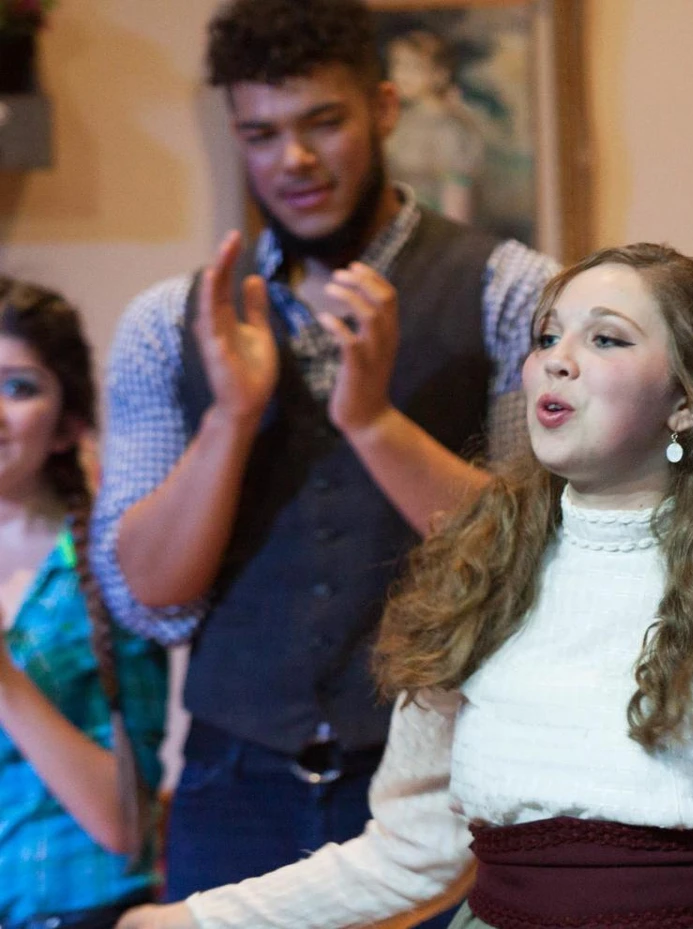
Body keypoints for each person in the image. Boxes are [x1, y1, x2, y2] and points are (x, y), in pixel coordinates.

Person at [114, 243, 693, 929]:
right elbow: (414, 853)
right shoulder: (478, 579)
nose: (557, 361)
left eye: (605, 338)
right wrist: (195, 917)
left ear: (686, 401)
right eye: (546, 337)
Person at [91, 0, 555, 908]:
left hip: (449, 783)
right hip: (235, 783)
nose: (292, 161)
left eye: (323, 123)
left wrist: (375, 420)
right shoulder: (162, 324)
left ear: (383, 109)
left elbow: (535, 559)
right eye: (260, 134)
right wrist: (229, 416)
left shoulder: (512, 292)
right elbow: (147, 594)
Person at [0, 278, 167, 928]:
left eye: (19, 387)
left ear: (69, 424)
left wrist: (7, 682)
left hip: (73, 909)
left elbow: (124, 825)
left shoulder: (107, 563)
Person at [385, 30, 487, 224]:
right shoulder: (401, 120)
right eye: (397, 65)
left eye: (413, 67)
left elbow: (456, 198)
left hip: (433, 228)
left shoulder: (450, 130)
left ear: (440, 74)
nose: (401, 75)